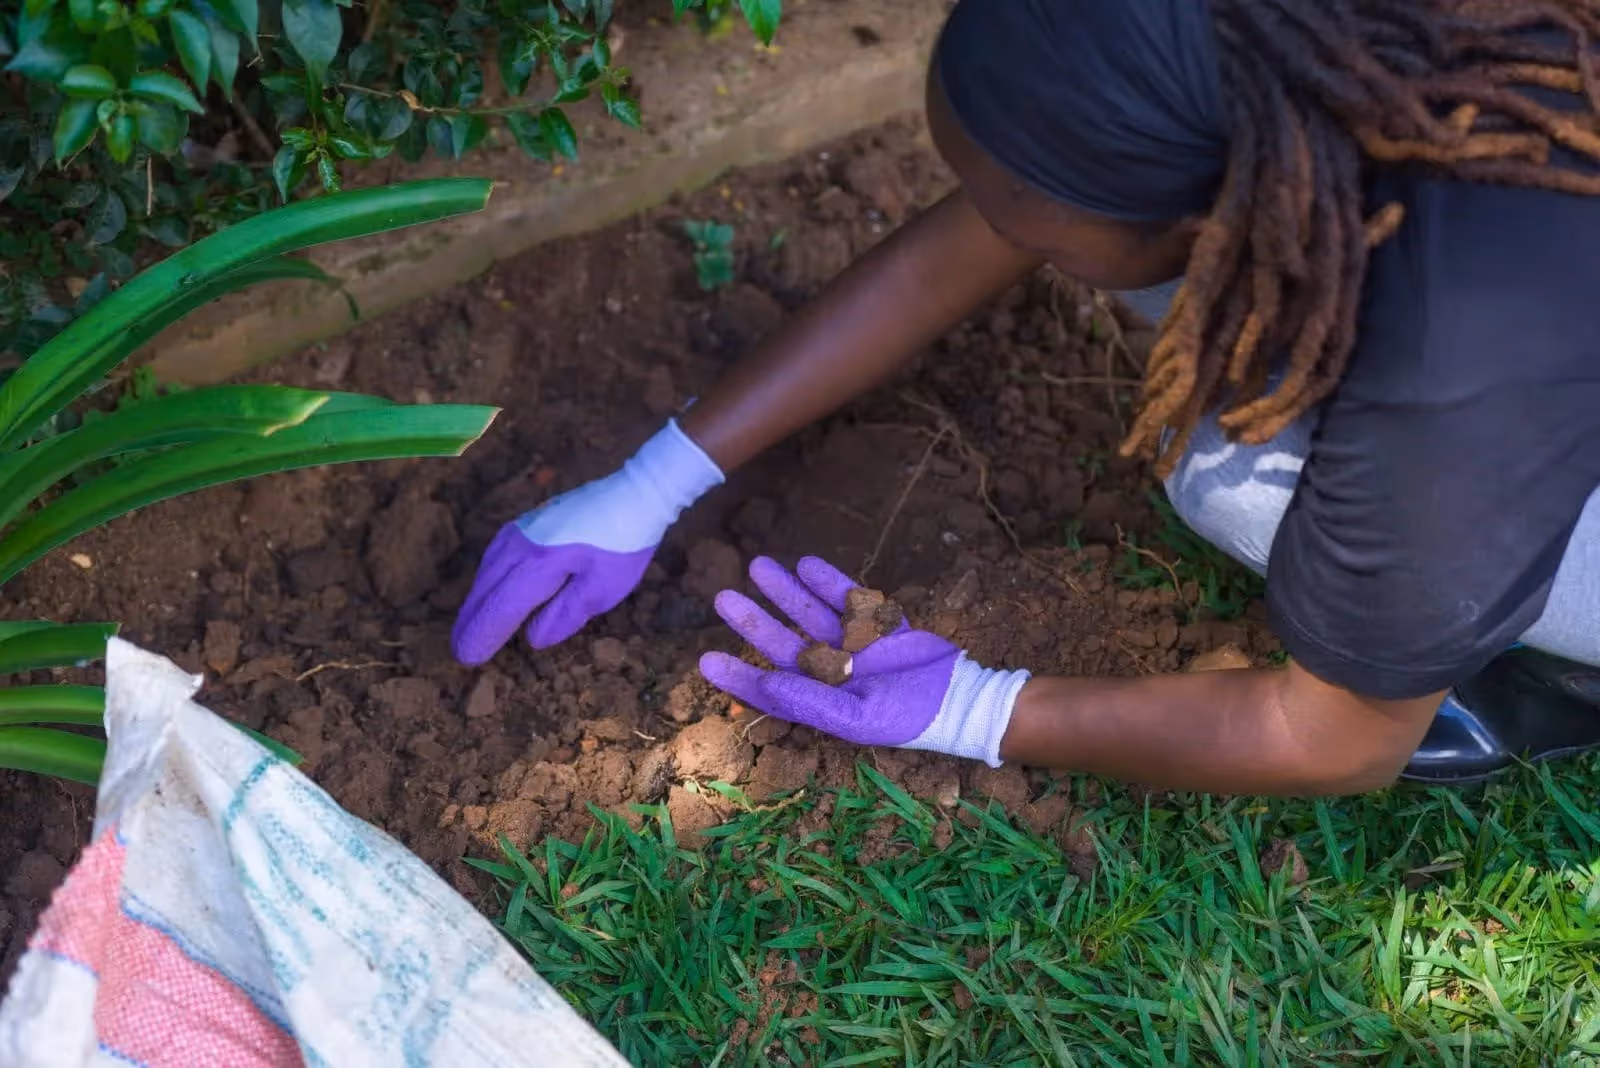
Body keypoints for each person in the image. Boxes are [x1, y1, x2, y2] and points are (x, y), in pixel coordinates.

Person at [452, 0, 1600, 796]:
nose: (994, 228)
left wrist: (974, 709)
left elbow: (1332, 738)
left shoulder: (1464, 350)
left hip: (1535, 379)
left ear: (1223, 206)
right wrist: (652, 482)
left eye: (1020, 215)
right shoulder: (1312, 60)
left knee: (1233, 478)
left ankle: (1554, 664)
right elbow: (1026, 197)